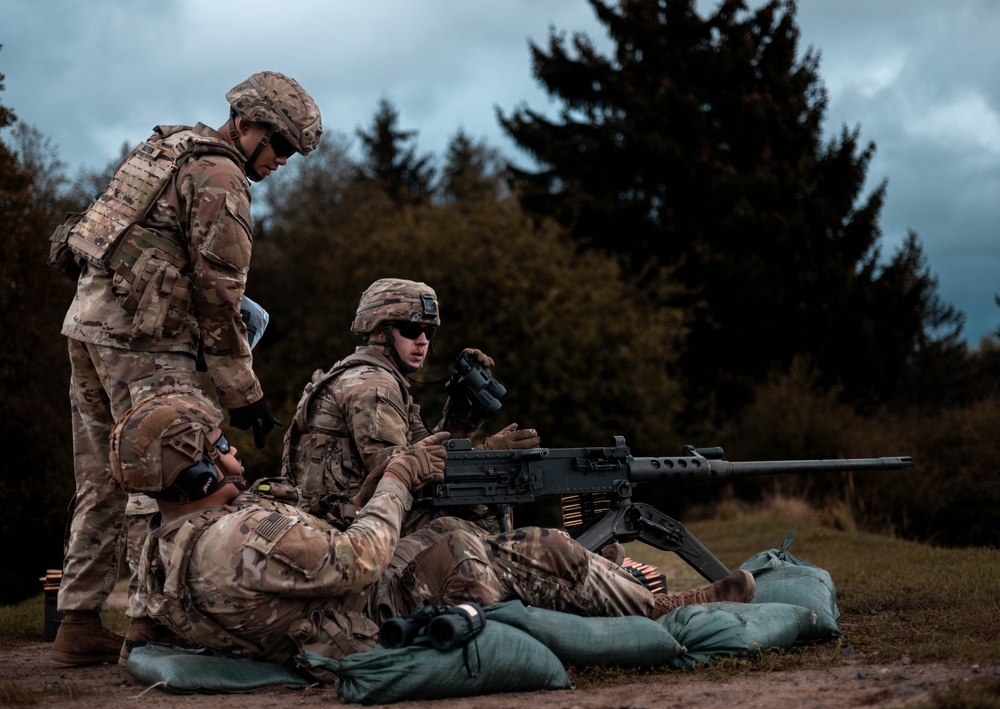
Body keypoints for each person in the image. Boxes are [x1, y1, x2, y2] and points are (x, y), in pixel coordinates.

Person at [109, 392, 757, 675]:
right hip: (364, 623)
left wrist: (396, 481)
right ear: (194, 466)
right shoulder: (246, 532)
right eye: (217, 442)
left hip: (313, 620)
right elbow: (358, 558)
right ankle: (661, 610)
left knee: (449, 527)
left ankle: (622, 582)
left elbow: (142, 629)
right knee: (532, 548)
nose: (230, 450)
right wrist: (399, 472)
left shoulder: (162, 546)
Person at [49, 71, 322, 666]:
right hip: (147, 343)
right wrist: (244, 394)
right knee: (166, 476)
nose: (281, 161)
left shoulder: (166, 148)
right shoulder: (222, 177)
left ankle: (78, 621)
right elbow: (219, 298)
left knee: (100, 475)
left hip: (89, 327)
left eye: (290, 152)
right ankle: (155, 624)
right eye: (277, 144)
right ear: (245, 124)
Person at [281, 278, 540, 535]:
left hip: (342, 514)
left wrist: (461, 419)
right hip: (345, 525)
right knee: (484, 510)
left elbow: (424, 454)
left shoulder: (371, 375)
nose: (423, 341)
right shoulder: (375, 385)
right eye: (411, 330)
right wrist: (486, 457)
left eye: (429, 332)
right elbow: (400, 474)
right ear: (379, 331)